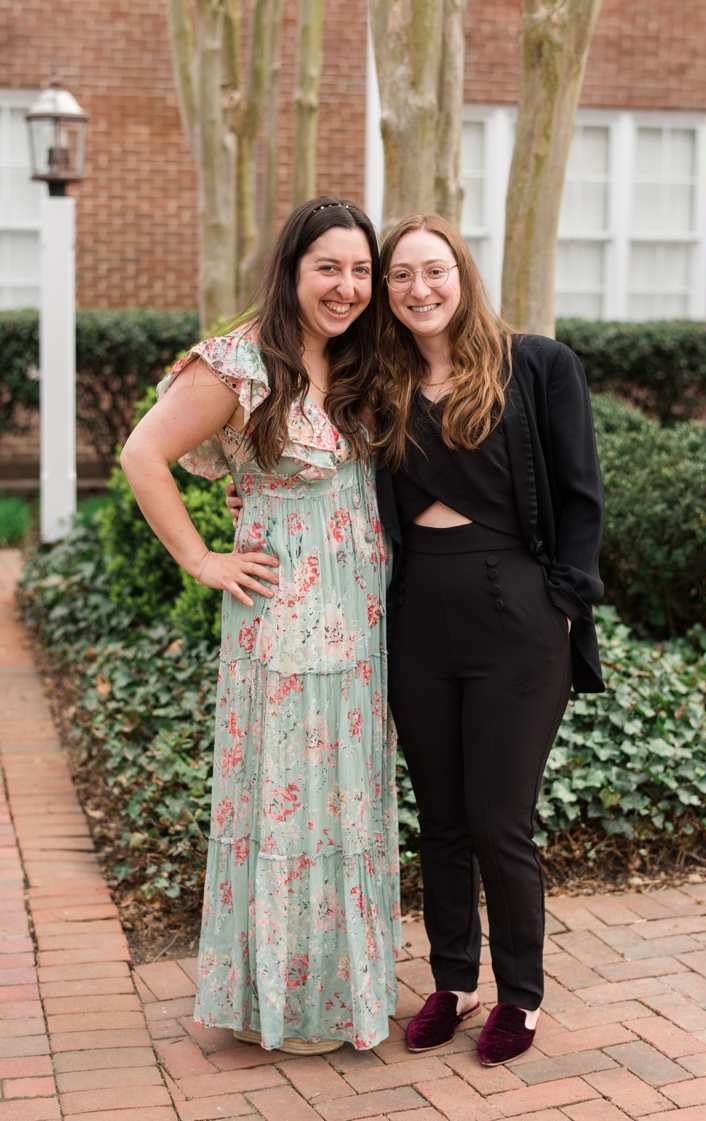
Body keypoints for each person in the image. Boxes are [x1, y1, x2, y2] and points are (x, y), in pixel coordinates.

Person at [120, 197, 398, 1053]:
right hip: (282, 629)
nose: (347, 287)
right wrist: (203, 560)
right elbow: (142, 453)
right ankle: (282, 1000)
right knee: (289, 809)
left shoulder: (362, 364)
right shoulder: (239, 363)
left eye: (360, 270)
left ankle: (340, 990)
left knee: (347, 808)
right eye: (329, 268)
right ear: (292, 270)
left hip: (360, 631)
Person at [370, 213, 605, 1065]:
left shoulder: (536, 365)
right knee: (440, 819)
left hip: (516, 612)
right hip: (414, 612)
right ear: (385, 290)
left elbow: (581, 495)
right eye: (401, 276)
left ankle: (522, 996)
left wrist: (567, 604)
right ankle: (453, 979)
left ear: (462, 276)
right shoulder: (377, 383)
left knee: (501, 819)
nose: (419, 289)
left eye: (434, 271)